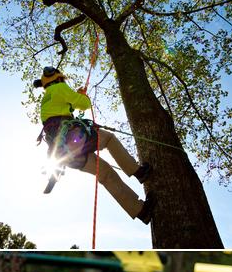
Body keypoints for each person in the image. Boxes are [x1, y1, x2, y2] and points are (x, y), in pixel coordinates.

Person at [33, 66, 154, 223]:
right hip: (74, 138)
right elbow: (83, 104)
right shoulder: (60, 87)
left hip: (65, 152)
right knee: (108, 139)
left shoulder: (46, 99)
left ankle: (141, 211)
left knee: (104, 173)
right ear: (58, 78)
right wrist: (81, 96)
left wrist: (74, 98)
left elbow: (64, 108)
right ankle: (138, 172)